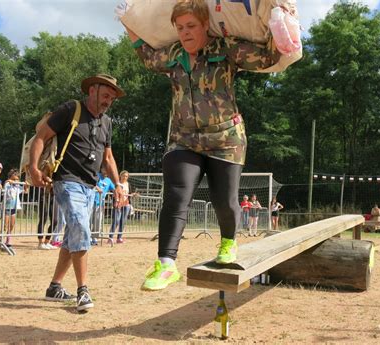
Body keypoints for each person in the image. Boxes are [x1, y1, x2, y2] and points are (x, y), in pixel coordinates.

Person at [122, 0, 281, 290]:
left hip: (226, 140)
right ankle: (167, 264)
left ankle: (228, 243)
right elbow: (147, 57)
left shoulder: (227, 49)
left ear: (205, 25)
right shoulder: (173, 55)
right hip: (183, 139)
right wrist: (127, 21)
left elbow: (269, 57)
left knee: (225, 201)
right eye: (180, 27)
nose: (185, 32)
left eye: (191, 26)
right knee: (176, 194)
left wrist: (280, 18)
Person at [29, 74, 125, 312]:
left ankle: (55, 286)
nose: (108, 101)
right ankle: (83, 291)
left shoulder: (107, 123)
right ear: (92, 90)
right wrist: (32, 168)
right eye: (105, 95)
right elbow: (42, 136)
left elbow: (108, 158)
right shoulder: (71, 109)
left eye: (112, 99)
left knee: (73, 234)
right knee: (80, 226)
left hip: (90, 185)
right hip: (66, 180)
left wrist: (118, 186)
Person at [3, 168, 28, 248]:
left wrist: (26, 185)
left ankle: (8, 240)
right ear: (10, 177)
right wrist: (9, 181)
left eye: (17, 179)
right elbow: (5, 184)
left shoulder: (17, 186)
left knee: (12, 224)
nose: (16, 180)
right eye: (14, 178)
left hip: (14, 207)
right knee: (5, 225)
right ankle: (0, 238)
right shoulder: (8, 184)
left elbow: (26, 191)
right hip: (7, 207)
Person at [91, 166, 115, 245]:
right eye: (105, 168)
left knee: (98, 222)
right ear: (101, 169)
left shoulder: (108, 180)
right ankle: (86, 238)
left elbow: (114, 189)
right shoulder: (97, 175)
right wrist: (97, 188)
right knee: (88, 221)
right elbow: (90, 182)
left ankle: (94, 238)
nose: (107, 171)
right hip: (91, 201)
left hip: (100, 203)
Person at [108, 170, 132, 244]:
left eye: (126, 176)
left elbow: (129, 193)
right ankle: (110, 238)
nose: (125, 177)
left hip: (126, 204)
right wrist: (115, 202)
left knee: (123, 222)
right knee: (116, 221)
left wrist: (133, 195)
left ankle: (119, 238)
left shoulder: (128, 184)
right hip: (118, 204)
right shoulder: (117, 184)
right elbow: (114, 193)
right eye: (124, 176)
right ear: (120, 176)